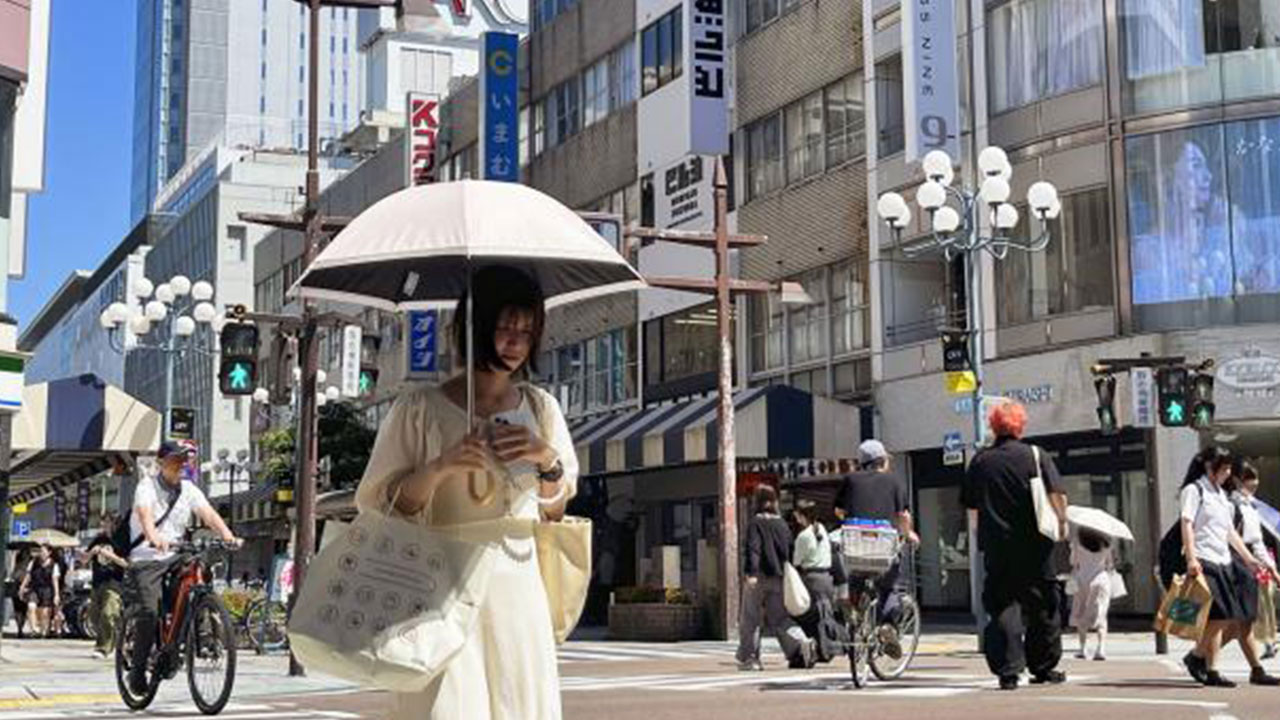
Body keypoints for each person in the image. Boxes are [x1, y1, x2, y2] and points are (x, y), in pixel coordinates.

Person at [353, 265, 577, 719]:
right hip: (440, 580)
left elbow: (554, 511)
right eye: (504, 327)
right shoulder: (419, 408)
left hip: (518, 581)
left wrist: (545, 458)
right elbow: (384, 504)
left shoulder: (540, 407)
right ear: (475, 326)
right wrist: (440, 467)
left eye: (527, 331)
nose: (515, 342)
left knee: (520, 701)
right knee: (449, 704)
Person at [962, 401, 1069, 691]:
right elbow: (1057, 493)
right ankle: (1043, 667)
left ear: (993, 426)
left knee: (1002, 606)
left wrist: (979, 535)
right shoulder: (1035, 455)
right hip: (1037, 545)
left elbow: (971, 508)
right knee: (1044, 606)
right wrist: (1061, 522)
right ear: (1020, 425)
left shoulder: (981, 461)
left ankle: (1008, 671)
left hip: (998, 547)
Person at [124, 441, 241, 696]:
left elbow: (208, 513)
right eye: (175, 461)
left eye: (183, 462)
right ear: (161, 463)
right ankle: (138, 668)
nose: (181, 466)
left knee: (198, 573)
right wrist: (153, 536)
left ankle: (198, 625)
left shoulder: (189, 489)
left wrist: (227, 534)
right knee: (148, 611)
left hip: (176, 553)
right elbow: (144, 515)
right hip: (148, 557)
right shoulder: (147, 487)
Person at [1178, 447, 1278, 687]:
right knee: (1223, 615)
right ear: (1210, 468)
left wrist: (1250, 559)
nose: (1228, 473)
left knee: (1225, 616)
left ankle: (1197, 657)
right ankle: (1198, 658)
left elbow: (1230, 532)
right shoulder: (1194, 490)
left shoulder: (1220, 495)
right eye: (1224, 468)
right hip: (1204, 558)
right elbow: (1187, 524)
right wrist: (1191, 558)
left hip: (1223, 559)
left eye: (1229, 468)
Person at [833, 439, 919, 658]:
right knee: (889, 587)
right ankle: (887, 625)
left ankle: (853, 607)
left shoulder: (850, 479)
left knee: (856, 573)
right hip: (883, 549)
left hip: (857, 549)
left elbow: (838, 511)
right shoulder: (893, 482)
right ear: (882, 461)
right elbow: (903, 516)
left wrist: (854, 517)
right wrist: (908, 534)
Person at [736, 484, 813, 671]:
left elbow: (753, 548)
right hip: (779, 578)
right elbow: (789, 550)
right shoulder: (782, 524)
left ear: (757, 501)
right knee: (780, 618)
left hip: (759, 577)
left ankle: (751, 659)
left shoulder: (756, 523)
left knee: (751, 618)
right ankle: (800, 641)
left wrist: (751, 573)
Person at [1234, 462, 1279, 659]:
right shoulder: (1233, 504)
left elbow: (1257, 541)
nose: (1254, 482)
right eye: (1249, 478)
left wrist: (1271, 568)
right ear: (1237, 481)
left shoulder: (1252, 505)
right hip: (1240, 564)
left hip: (1255, 564)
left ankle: (1268, 643)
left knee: (1260, 605)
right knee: (1240, 617)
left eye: (1255, 478)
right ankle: (1201, 654)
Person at [792, 503, 843, 663]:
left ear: (801, 516)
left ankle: (820, 650)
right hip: (827, 578)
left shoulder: (803, 536)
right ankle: (829, 648)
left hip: (811, 579)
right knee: (825, 614)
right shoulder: (821, 529)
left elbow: (796, 561)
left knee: (809, 617)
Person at [1069, 527, 1115, 661]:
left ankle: (1083, 648)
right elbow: (1110, 564)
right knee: (1101, 614)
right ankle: (1101, 648)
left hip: (1082, 580)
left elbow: (1073, 562)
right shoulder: (1106, 544)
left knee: (1081, 613)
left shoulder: (1078, 544)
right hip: (1100, 580)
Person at [86, 512, 128, 659]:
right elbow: (84, 560)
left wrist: (110, 556)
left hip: (114, 582)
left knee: (108, 613)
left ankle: (103, 648)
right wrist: (91, 553)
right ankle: (115, 640)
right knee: (93, 616)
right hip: (97, 582)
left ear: (114, 523)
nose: (104, 525)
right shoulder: (99, 539)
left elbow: (126, 563)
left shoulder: (122, 539)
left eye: (107, 522)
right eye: (102, 522)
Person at [18, 545, 60, 638]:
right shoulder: (33, 563)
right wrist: (22, 587)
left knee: (45, 612)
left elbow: (55, 580)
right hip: (35, 588)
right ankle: (34, 629)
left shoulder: (54, 565)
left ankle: (43, 630)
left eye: (44, 551)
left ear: (49, 553)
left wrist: (56, 594)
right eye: (40, 551)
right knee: (31, 606)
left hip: (47, 590)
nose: (41, 553)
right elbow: (28, 576)